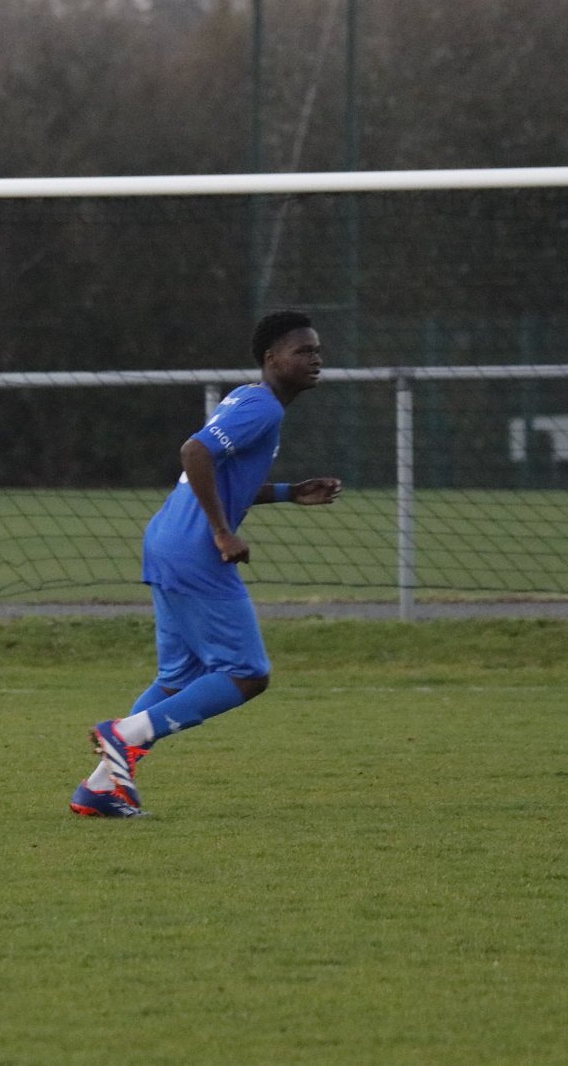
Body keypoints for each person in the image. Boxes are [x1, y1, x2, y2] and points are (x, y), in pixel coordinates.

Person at [71, 310, 343, 817]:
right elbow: (194, 452)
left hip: (168, 540)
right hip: (196, 550)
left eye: (317, 351)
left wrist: (288, 492)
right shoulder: (263, 407)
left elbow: (221, 475)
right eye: (303, 351)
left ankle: (99, 788)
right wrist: (221, 531)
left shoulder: (247, 398)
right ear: (272, 359)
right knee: (248, 673)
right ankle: (124, 734)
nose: (316, 359)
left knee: (178, 679)